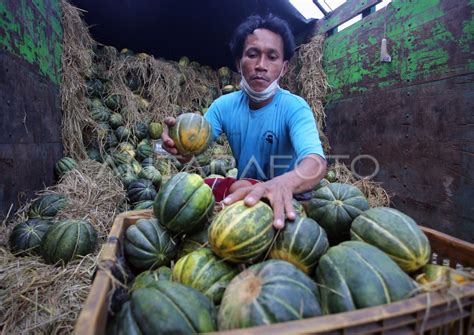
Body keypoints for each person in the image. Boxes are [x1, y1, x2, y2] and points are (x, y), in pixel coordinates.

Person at [162, 14, 327, 229]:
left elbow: (316, 163)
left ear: (284, 68)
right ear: (239, 63)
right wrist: (174, 145)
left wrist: (281, 184)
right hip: (244, 190)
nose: (261, 65)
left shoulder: (295, 107)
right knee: (199, 189)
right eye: (252, 54)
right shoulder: (223, 105)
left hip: (290, 194)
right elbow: (193, 148)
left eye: (272, 57)